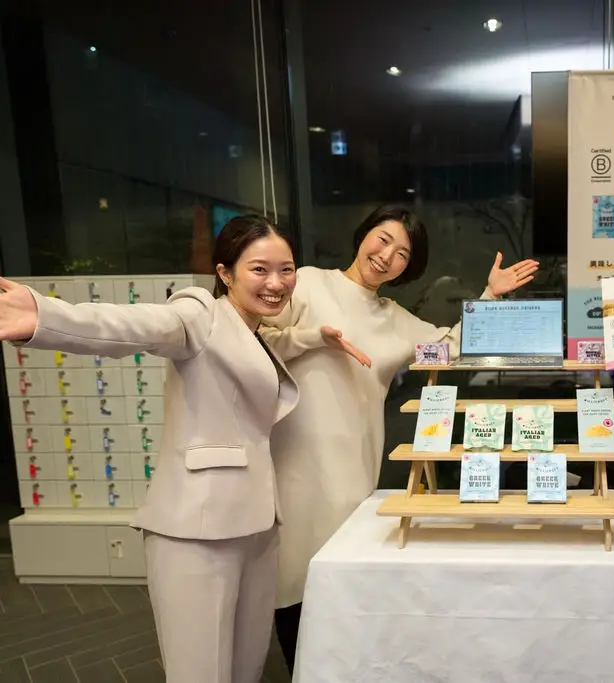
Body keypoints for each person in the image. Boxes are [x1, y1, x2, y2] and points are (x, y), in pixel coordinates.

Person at [0, 216, 365, 683]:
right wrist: (46, 317)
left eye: (286, 269)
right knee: (201, 672)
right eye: (259, 269)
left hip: (255, 528)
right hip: (196, 529)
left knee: (245, 667)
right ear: (225, 272)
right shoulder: (200, 314)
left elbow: (276, 347)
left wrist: (318, 336)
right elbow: (137, 326)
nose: (276, 283)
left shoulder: (254, 331)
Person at [258, 204, 540, 672]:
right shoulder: (308, 282)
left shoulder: (395, 318)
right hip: (293, 462)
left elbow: (447, 347)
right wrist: (314, 338)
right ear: (364, 234)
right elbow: (261, 336)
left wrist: (490, 296)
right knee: (291, 583)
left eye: (403, 254)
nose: (387, 256)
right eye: (383, 239)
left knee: (343, 581)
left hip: (356, 471)